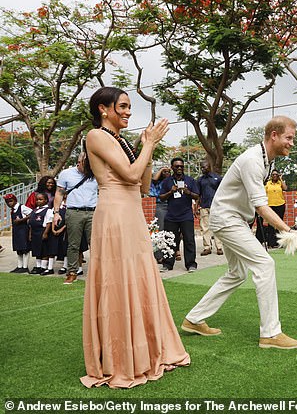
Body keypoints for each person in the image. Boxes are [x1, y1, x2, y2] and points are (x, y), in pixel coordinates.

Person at [81, 86, 189, 389]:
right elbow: (129, 175)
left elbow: (143, 185)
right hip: (114, 215)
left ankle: (148, 350)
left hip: (132, 212)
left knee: (140, 278)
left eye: (129, 107)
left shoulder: (120, 141)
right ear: (104, 109)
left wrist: (147, 148)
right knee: (119, 281)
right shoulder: (96, 136)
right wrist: (149, 144)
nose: (128, 112)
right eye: (123, 106)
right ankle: (121, 360)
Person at [182, 115, 297, 350]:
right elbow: (260, 205)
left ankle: (194, 319)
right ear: (274, 135)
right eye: (289, 138)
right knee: (264, 264)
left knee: (237, 273)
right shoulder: (252, 160)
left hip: (233, 219)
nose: (292, 142)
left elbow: (254, 204)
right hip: (228, 220)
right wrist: (289, 230)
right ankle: (270, 334)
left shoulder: (267, 161)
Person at [53, 151, 99, 284]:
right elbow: (59, 194)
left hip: (93, 212)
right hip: (73, 212)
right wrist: (56, 213)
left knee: (95, 244)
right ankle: (72, 272)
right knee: (73, 244)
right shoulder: (66, 174)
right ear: (79, 162)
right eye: (86, 165)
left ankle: (96, 272)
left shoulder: (96, 173)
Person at [160, 157, 200, 271]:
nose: (179, 168)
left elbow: (197, 196)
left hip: (186, 215)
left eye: (181, 166)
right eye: (177, 166)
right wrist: (170, 192)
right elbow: (161, 198)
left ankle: (191, 264)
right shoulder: (167, 181)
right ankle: (167, 264)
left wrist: (189, 192)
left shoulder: (190, 180)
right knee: (170, 241)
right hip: (171, 216)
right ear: (172, 167)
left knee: (189, 240)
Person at [196, 160, 223, 256]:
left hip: (216, 206)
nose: (203, 169)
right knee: (205, 227)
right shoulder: (200, 180)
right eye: (201, 167)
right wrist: (196, 208)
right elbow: (198, 195)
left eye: (204, 167)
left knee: (217, 226)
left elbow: (223, 192)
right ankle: (207, 247)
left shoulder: (218, 178)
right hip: (204, 206)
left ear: (209, 167)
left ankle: (219, 247)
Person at [4, 194, 32, 273]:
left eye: (11, 201)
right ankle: (19, 266)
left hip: (23, 230)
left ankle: (25, 266)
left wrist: (22, 220)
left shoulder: (22, 207)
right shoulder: (13, 210)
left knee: (25, 249)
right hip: (16, 231)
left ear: (15, 200)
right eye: (7, 202)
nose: (9, 203)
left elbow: (32, 213)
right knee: (18, 249)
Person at [28, 193, 53, 275]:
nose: (38, 201)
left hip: (42, 231)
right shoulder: (35, 210)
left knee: (43, 250)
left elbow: (49, 223)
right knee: (36, 250)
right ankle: (38, 266)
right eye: (37, 199)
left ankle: (43, 267)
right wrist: (30, 234)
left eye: (40, 199)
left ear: (46, 200)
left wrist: (45, 233)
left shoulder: (48, 210)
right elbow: (31, 223)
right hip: (34, 232)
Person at [262, 169, 287, 248]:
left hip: (280, 205)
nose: (275, 176)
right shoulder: (268, 184)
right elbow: (263, 192)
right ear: (271, 176)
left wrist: (281, 179)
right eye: (273, 174)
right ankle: (271, 243)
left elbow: (285, 188)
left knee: (279, 224)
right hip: (270, 206)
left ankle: (279, 242)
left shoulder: (280, 183)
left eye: (276, 174)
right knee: (271, 225)